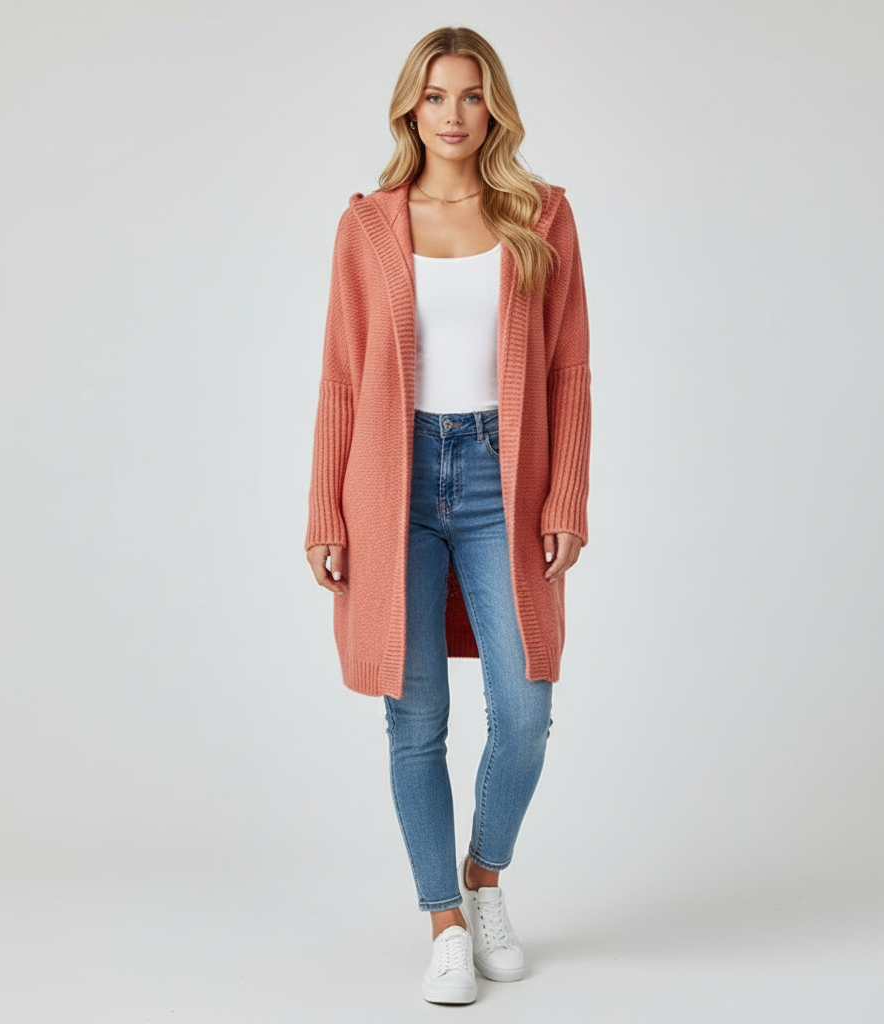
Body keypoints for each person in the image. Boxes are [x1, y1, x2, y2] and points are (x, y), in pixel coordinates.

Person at [304, 25, 591, 1005]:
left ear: (493, 107)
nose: (454, 114)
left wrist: (565, 494)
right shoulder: (369, 226)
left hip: (498, 481)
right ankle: (443, 922)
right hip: (391, 485)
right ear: (410, 109)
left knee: (526, 711)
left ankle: (483, 878)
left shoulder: (541, 216)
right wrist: (324, 512)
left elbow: (567, 370)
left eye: (471, 95)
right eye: (435, 96)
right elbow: (342, 376)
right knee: (415, 717)